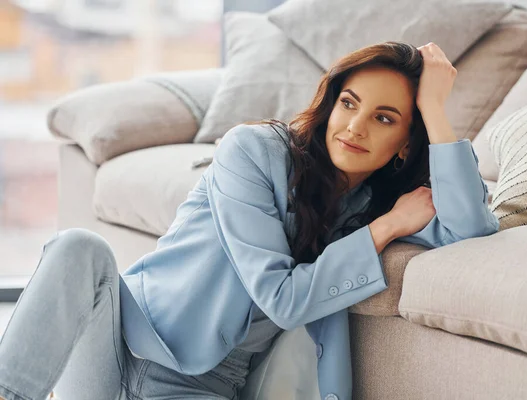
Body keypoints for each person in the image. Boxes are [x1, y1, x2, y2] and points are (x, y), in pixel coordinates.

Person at [0, 41, 499, 400]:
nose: (354, 126)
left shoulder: (374, 205)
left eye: (384, 118)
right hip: (119, 342)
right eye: (349, 104)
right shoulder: (255, 151)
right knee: (78, 247)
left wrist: (435, 112)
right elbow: (282, 299)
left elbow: (470, 228)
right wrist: (384, 230)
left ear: (406, 145)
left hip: (200, 387)